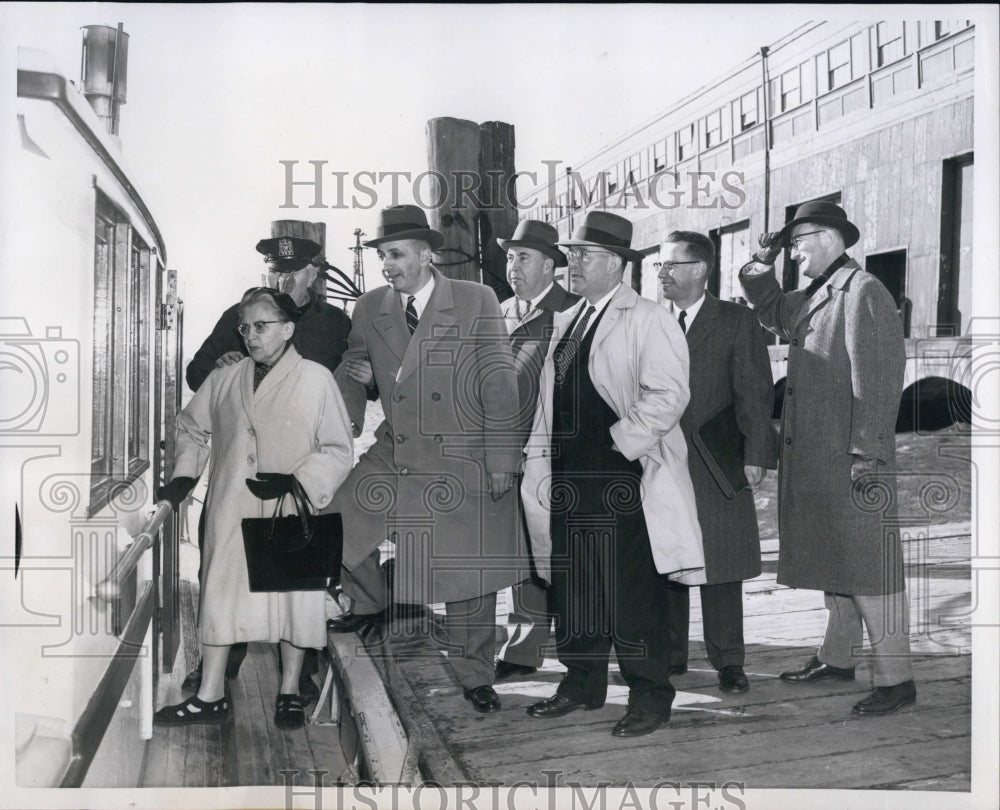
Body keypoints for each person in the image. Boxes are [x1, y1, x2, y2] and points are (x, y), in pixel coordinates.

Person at [326, 204, 527, 715]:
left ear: (427, 254)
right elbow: (356, 366)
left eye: (395, 255)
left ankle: (476, 675)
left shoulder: (477, 300)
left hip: (464, 454)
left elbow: (500, 385)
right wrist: (347, 422)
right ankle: (371, 604)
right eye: (381, 256)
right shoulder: (370, 308)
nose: (385, 265)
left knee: (468, 577)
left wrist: (503, 458)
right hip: (397, 451)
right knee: (337, 522)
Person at [520, 211, 705, 738]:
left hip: (622, 478)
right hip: (568, 478)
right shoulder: (571, 319)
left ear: (616, 264)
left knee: (632, 591)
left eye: (581, 255)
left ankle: (650, 696)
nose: (570, 263)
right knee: (575, 585)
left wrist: (619, 446)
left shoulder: (648, 317)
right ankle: (581, 683)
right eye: (571, 254)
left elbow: (668, 395)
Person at [739, 199, 915, 716]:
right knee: (839, 563)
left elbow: (878, 383)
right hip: (824, 456)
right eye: (790, 245)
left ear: (831, 239)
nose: (794, 253)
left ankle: (897, 679)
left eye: (799, 242)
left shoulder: (864, 293)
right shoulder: (819, 294)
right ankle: (837, 657)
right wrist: (759, 264)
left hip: (854, 459)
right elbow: (770, 310)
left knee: (869, 571)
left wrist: (867, 456)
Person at [154, 288, 354, 729]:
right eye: (244, 327)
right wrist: (183, 479)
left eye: (261, 326)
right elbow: (191, 428)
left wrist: (299, 481)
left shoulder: (316, 379)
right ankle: (210, 694)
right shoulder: (225, 376)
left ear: (287, 329)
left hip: (290, 506)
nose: (250, 335)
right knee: (221, 595)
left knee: (294, 599)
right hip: (231, 505)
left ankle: (288, 691)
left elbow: (339, 449)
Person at [658, 230, 778, 693]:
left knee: (720, 564)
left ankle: (729, 660)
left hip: (715, 459)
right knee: (666, 561)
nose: (662, 273)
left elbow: (755, 391)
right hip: (660, 461)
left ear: (700, 270)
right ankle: (669, 657)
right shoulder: (648, 320)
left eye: (671, 264)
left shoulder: (734, 320)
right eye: (659, 266)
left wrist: (756, 454)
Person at [494, 220, 579, 681]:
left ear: (550, 265)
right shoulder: (502, 313)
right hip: (509, 458)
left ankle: (579, 650)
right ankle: (522, 650)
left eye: (523, 257)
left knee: (560, 556)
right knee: (520, 555)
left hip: (554, 456)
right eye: (509, 257)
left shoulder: (572, 313)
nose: (513, 267)